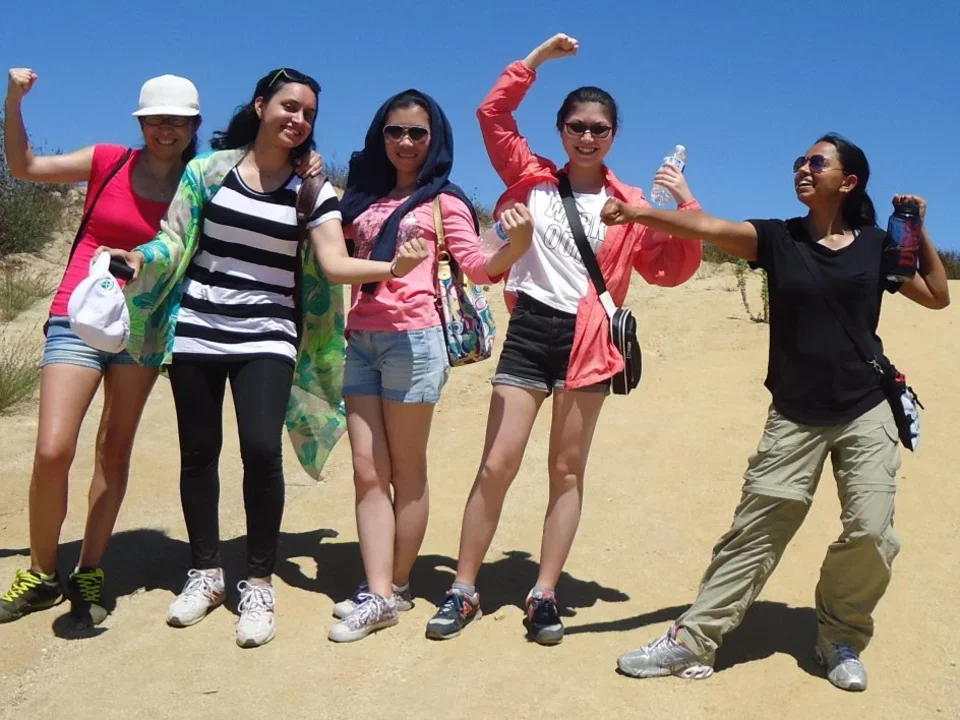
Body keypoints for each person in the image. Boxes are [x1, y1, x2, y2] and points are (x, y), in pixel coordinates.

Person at [102, 68, 428, 648]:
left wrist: (391, 268)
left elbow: (332, 262)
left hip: (269, 334)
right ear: (261, 106)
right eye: (289, 107)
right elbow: (175, 239)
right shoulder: (208, 171)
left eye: (308, 113)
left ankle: (257, 579)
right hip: (199, 328)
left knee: (259, 447)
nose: (298, 119)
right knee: (199, 451)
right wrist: (138, 257)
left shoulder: (313, 191)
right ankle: (205, 572)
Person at [611, 133, 950, 691]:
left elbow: (937, 296)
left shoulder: (874, 246)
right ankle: (693, 638)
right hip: (795, 412)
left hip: (865, 407)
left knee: (871, 531)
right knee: (758, 530)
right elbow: (709, 228)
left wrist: (916, 228)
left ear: (849, 181)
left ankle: (839, 633)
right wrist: (640, 212)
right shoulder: (777, 238)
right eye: (800, 161)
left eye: (817, 162)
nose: (803, 168)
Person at [425, 33, 703, 646]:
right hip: (530, 330)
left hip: (591, 341)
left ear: (613, 135)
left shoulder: (631, 203)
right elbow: (491, 115)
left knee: (567, 470)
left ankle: (544, 592)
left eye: (598, 128)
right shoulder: (531, 178)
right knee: (496, 463)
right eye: (576, 125)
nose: (586, 135)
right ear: (560, 129)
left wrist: (684, 207)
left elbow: (672, 269)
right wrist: (537, 61)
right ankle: (463, 587)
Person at [326, 89, 533, 643]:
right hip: (360, 340)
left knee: (406, 471)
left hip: (415, 343)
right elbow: (328, 252)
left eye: (418, 132)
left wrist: (519, 243)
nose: (406, 142)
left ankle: (394, 585)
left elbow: (480, 267)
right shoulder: (360, 199)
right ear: (381, 135)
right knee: (368, 471)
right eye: (396, 131)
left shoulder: (446, 201)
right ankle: (379, 591)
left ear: (434, 139)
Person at [0, 69, 201, 626]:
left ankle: (89, 568)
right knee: (52, 449)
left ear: (193, 125)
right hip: (79, 312)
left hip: (146, 328)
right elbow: (25, 168)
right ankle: (41, 573)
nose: (166, 129)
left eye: (178, 120)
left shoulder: (198, 182)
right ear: (141, 122)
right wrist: (13, 102)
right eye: (156, 119)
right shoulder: (108, 160)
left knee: (114, 450)